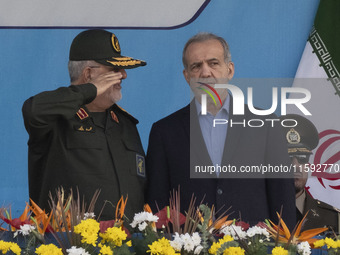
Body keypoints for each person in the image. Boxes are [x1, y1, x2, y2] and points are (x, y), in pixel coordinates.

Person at [146, 32, 296, 228]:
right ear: (186, 76)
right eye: (196, 66)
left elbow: (282, 198)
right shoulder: (164, 132)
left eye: (213, 63)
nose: (206, 73)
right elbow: (157, 206)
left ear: (230, 70)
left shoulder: (267, 124)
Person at [22, 29, 147, 221]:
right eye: (114, 70)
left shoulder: (126, 124)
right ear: (88, 74)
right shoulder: (55, 119)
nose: (123, 75)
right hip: (68, 246)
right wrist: (88, 90)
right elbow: (33, 110)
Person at [280, 114, 340, 233]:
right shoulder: (255, 212)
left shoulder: (333, 218)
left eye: (302, 158)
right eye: (288, 158)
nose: (296, 166)